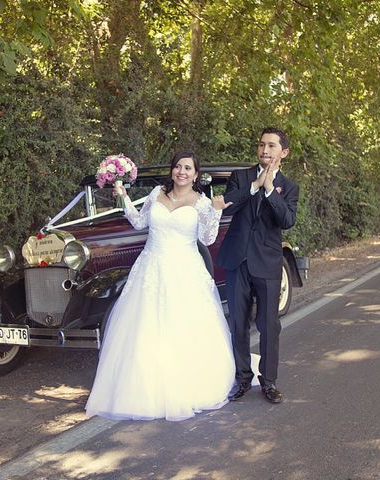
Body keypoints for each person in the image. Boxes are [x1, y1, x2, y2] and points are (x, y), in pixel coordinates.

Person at [85, 151, 235, 421]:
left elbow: (208, 238)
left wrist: (214, 212)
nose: (182, 172)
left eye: (188, 168)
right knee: (145, 326)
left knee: (181, 326)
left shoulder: (201, 202)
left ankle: (186, 386)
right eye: (178, 167)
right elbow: (140, 222)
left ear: (196, 174)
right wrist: (123, 196)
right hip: (150, 268)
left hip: (185, 270)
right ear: (172, 171)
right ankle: (141, 390)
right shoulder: (156, 193)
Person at [216, 127, 299, 404]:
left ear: (283, 152)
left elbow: (287, 220)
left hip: (267, 264)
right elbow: (227, 207)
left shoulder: (289, 187)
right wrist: (253, 187)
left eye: (272, 146)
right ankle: (242, 379)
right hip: (237, 260)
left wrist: (269, 191)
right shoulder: (239, 177)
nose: (265, 150)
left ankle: (269, 381)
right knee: (238, 323)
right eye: (262, 144)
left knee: (269, 325)